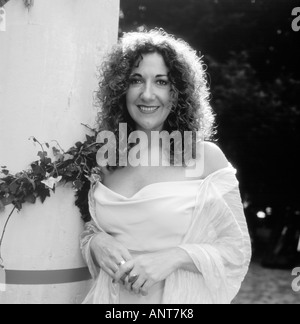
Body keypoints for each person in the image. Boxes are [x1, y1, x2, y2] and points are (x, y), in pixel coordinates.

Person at [80, 29, 251, 304]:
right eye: (136, 80)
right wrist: (96, 243)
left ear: (177, 92)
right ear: (121, 89)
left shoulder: (205, 158)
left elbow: (236, 250)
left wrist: (174, 258)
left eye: (161, 82)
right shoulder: (107, 158)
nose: (147, 94)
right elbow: (94, 227)